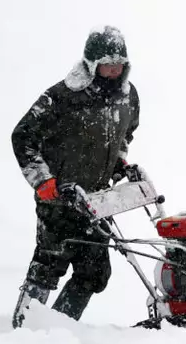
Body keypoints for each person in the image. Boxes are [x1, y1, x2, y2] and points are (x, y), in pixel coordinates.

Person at [10, 26, 143, 328]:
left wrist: (120, 165)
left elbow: (125, 134)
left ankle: (58, 327)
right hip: (58, 199)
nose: (113, 71)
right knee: (48, 265)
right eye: (107, 65)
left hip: (96, 201)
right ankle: (23, 330)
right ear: (91, 64)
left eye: (118, 65)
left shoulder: (128, 97)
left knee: (94, 273)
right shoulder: (61, 98)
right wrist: (43, 181)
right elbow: (23, 137)